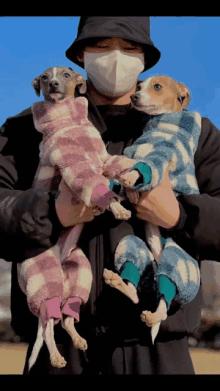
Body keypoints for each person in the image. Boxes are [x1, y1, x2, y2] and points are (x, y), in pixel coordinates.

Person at [1, 16, 220, 375]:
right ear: (79, 56)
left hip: (159, 354)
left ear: (146, 58)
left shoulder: (191, 130)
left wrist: (180, 216)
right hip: (58, 352)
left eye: (130, 48)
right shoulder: (28, 128)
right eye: (101, 46)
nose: (115, 57)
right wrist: (51, 212)